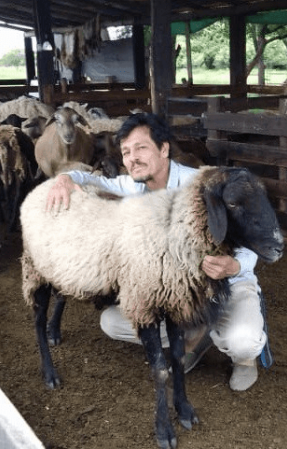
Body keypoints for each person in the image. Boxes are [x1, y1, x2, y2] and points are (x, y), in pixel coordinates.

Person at [45, 112, 272, 391]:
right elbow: (89, 179)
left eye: (141, 148)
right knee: (113, 322)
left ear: (164, 149)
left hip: (225, 283)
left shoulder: (208, 185)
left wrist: (234, 266)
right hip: (178, 290)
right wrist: (64, 179)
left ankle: (244, 358)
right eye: (126, 151)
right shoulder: (131, 186)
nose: (132, 158)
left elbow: (249, 237)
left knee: (243, 339)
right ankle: (196, 335)